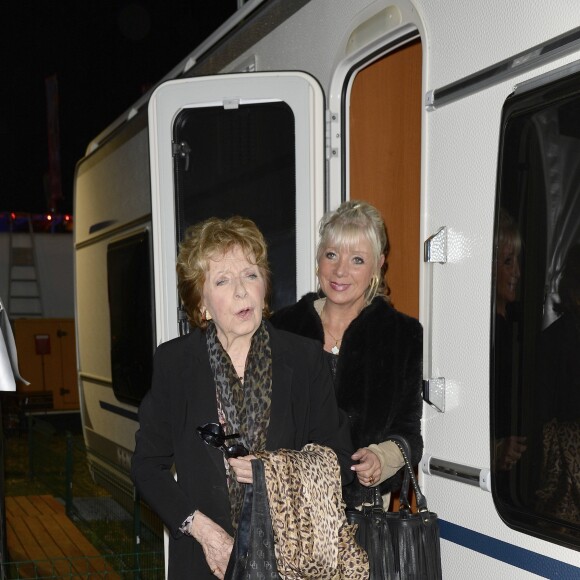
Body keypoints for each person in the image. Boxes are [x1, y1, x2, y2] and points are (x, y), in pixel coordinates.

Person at [130, 216, 353, 579]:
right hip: (204, 561)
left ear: (264, 286)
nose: (241, 291)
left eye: (250, 274)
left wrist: (276, 472)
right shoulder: (175, 363)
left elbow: (339, 459)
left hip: (290, 561)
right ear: (201, 303)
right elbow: (146, 466)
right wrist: (203, 531)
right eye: (222, 280)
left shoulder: (304, 358)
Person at [270, 200, 423, 508]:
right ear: (318, 259)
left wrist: (382, 458)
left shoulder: (402, 334)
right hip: (289, 511)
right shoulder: (280, 329)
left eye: (357, 259)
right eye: (331, 255)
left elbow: (409, 433)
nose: (340, 270)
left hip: (363, 516)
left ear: (379, 264)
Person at [493, 208, 527, 474]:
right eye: (507, 262)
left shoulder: (513, 325)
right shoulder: (490, 332)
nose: (516, 271)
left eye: (517, 261)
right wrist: (497, 447)